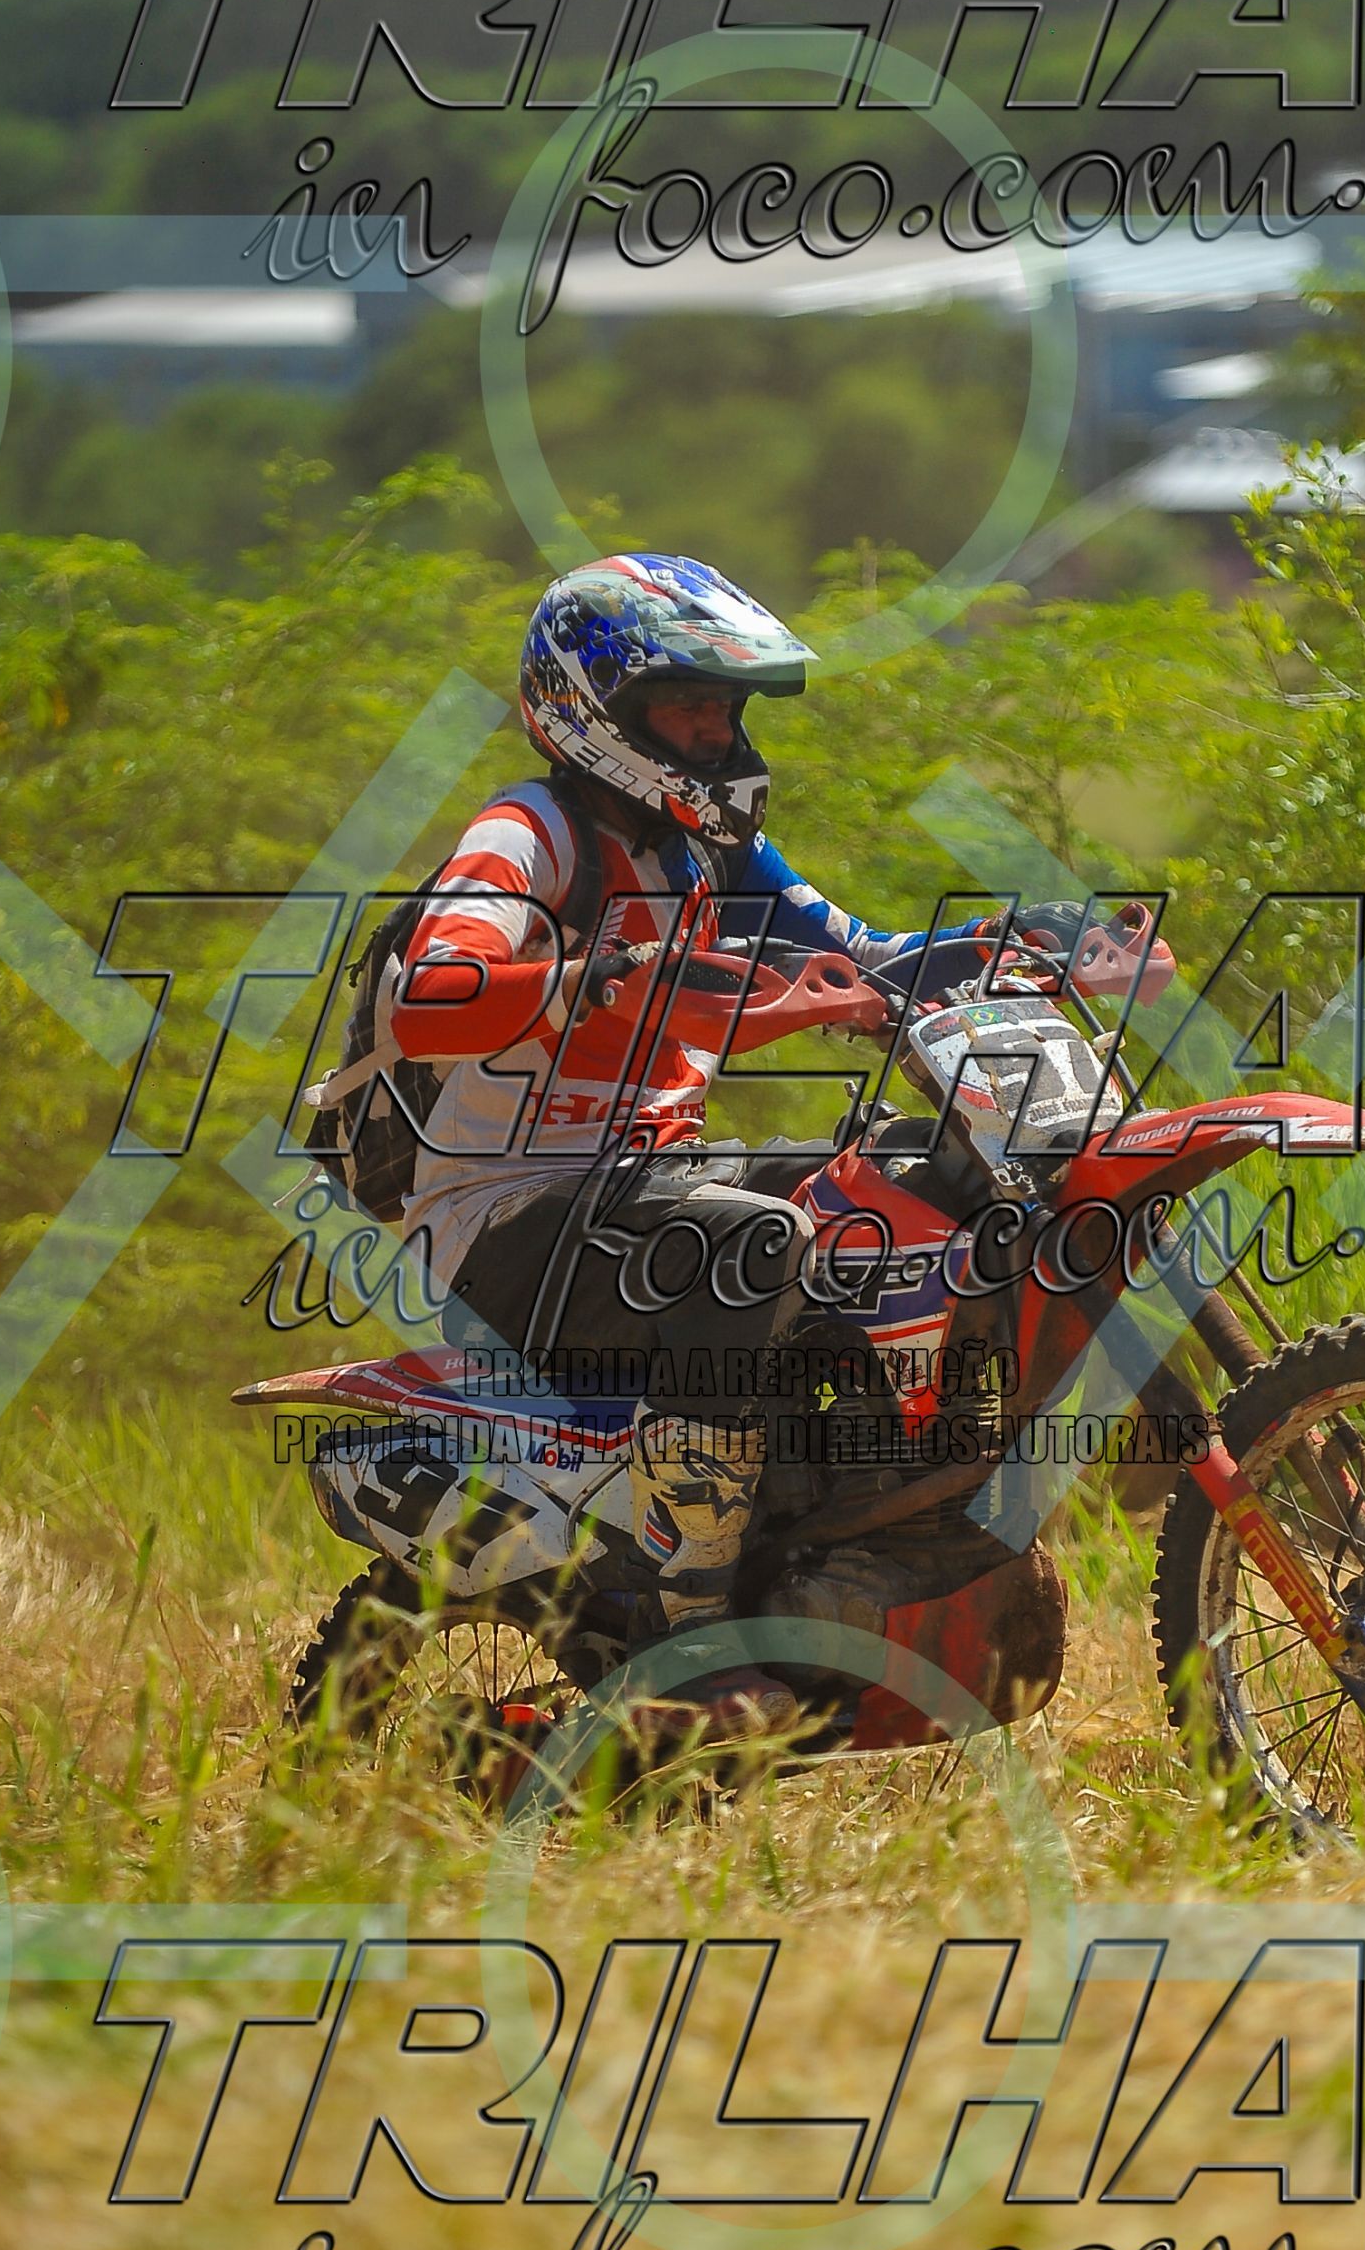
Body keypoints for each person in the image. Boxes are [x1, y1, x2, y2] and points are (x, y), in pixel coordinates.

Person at [388, 552, 989, 1723]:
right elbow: (429, 993)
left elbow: (867, 954)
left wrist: (1035, 942)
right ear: (595, 709)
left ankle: (857, 1524)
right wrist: (592, 976)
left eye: (726, 707)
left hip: (645, 1183)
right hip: (502, 1220)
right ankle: (688, 1631)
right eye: (688, 706)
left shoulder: (706, 848)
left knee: (909, 1178)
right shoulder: (528, 834)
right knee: (752, 1243)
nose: (718, 733)